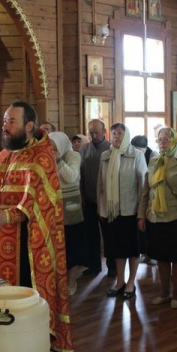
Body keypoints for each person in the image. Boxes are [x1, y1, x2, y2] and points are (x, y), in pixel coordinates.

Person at [0, 101, 72, 352]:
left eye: (11, 121)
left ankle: (29, 349)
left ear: (29, 125)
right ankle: (2, 347)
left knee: (24, 304)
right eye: (4, 121)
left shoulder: (42, 156)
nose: (5, 126)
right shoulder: (5, 154)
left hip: (28, 248)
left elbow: (38, 203)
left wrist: (8, 217)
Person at [138, 127, 177, 309]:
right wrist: (141, 215)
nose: (162, 142)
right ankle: (164, 293)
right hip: (155, 218)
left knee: (176, 258)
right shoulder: (154, 160)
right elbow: (145, 192)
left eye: (166, 139)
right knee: (161, 257)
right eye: (159, 139)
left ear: (173, 140)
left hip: (176, 218)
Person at [98, 124, 146, 299]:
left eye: (120, 133)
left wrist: (142, 213)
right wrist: (101, 208)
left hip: (130, 210)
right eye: (113, 133)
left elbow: (143, 186)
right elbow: (100, 185)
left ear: (126, 135)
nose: (116, 136)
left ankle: (131, 282)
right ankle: (120, 281)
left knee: (132, 249)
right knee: (117, 249)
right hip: (112, 212)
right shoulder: (105, 156)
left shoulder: (137, 155)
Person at [48, 131, 88, 296]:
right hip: (53, 205)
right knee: (57, 245)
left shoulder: (73, 156)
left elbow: (71, 177)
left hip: (71, 206)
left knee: (72, 245)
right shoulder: (47, 156)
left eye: (54, 146)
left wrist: (58, 160)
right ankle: (58, 279)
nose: (51, 149)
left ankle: (71, 279)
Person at [80, 119, 115, 277]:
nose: (93, 135)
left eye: (96, 132)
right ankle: (94, 265)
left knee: (109, 236)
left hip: (106, 201)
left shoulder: (111, 149)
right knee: (90, 235)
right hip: (88, 200)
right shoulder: (84, 149)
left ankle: (112, 267)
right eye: (90, 132)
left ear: (104, 132)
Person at [131, 134, 159, 265]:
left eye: (139, 149)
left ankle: (153, 253)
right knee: (141, 227)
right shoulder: (134, 155)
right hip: (137, 195)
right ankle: (145, 251)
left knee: (151, 228)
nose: (136, 152)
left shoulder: (153, 155)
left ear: (145, 148)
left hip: (150, 196)